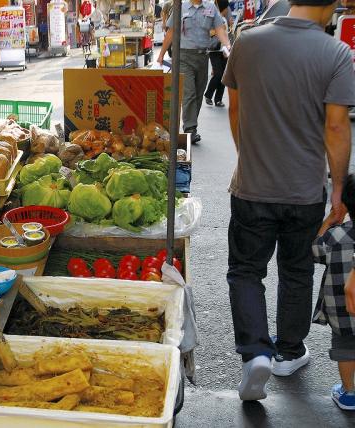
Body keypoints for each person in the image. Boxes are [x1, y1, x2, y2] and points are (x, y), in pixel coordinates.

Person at [222, 0, 355, 401]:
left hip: (252, 185)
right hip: (305, 191)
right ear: (332, 5)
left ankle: (255, 352)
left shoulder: (248, 41)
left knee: (246, 270)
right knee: (296, 270)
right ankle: (289, 352)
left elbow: (234, 108)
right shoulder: (336, 53)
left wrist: (248, 155)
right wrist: (337, 190)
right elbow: (335, 126)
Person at [157, 0, 232, 144]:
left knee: (198, 93)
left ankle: (190, 124)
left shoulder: (210, 7)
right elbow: (171, 32)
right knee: (189, 93)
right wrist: (161, 54)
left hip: (203, 57)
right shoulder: (180, 6)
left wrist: (226, 43)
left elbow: (219, 28)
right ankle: (190, 129)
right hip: (183, 56)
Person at [313, 175, 355, 411]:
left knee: (346, 348)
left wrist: (329, 219)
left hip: (343, 311)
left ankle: (349, 393)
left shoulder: (336, 236)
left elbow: (315, 251)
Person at [204, 0, 232, 107]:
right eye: (226, 9)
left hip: (224, 49)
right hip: (214, 49)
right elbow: (208, 32)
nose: (227, 11)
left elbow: (227, 34)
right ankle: (208, 95)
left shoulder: (224, 18)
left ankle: (218, 99)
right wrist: (218, 30)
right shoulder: (211, 16)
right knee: (218, 73)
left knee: (224, 75)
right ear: (222, 8)